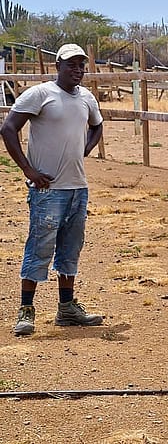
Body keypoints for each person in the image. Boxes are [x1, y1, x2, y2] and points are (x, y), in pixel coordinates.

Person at [1, 43, 104, 335]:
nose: (78, 70)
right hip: (48, 190)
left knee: (71, 249)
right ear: (57, 66)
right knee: (39, 247)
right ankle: (26, 310)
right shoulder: (41, 94)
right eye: (71, 65)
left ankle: (67, 308)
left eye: (81, 65)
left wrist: (85, 148)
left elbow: (98, 126)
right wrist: (28, 169)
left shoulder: (87, 98)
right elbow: (8, 128)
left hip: (77, 188)